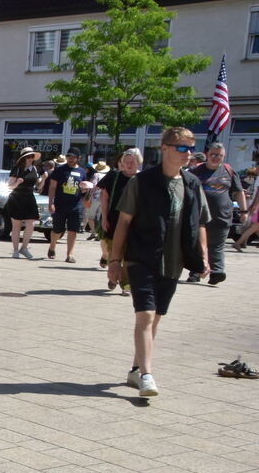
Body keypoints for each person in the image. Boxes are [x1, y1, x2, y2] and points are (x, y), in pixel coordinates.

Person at [107, 127, 210, 398]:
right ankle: (147, 375)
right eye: (182, 148)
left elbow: (200, 224)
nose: (188, 154)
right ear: (164, 148)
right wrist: (115, 260)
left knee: (155, 321)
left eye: (191, 148)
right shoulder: (141, 183)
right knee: (146, 315)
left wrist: (204, 257)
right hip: (142, 258)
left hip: (173, 262)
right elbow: (123, 223)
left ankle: (134, 368)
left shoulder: (192, 184)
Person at [190, 142, 246, 285]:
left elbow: (238, 192)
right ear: (207, 155)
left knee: (217, 245)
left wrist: (244, 211)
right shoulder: (195, 171)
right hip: (200, 216)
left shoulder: (229, 171)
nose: (215, 157)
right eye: (213, 154)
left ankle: (217, 272)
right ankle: (196, 272)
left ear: (223, 157)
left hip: (222, 215)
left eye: (219, 155)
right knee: (198, 245)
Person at [99, 148, 142, 295]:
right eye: (127, 162)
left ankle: (126, 284)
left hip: (135, 224)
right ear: (122, 163)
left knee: (130, 255)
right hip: (114, 221)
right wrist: (104, 218)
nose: (129, 165)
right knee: (113, 251)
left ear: (139, 163)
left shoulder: (143, 179)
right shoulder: (114, 177)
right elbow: (104, 197)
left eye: (133, 162)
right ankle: (113, 275)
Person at [46, 148, 89, 262]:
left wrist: (85, 190)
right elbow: (52, 187)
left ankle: (70, 254)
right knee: (57, 230)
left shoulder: (82, 172)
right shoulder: (60, 170)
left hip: (76, 205)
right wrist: (51, 203)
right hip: (60, 204)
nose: (70, 159)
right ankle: (52, 246)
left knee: (72, 230)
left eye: (73, 157)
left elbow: (83, 189)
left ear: (78, 158)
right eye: (68, 156)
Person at [5, 148, 42, 259]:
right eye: (28, 157)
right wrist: (17, 182)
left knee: (31, 223)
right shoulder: (16, 169)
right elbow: (9, 186)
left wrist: (43, 179)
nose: (30, 159)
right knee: (17, 225)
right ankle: (15, 250)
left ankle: (24, 248)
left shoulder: (34, 169)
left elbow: (39, 186)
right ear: (23, 158)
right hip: (16, 198)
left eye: (32, 157)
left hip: (30, 197)